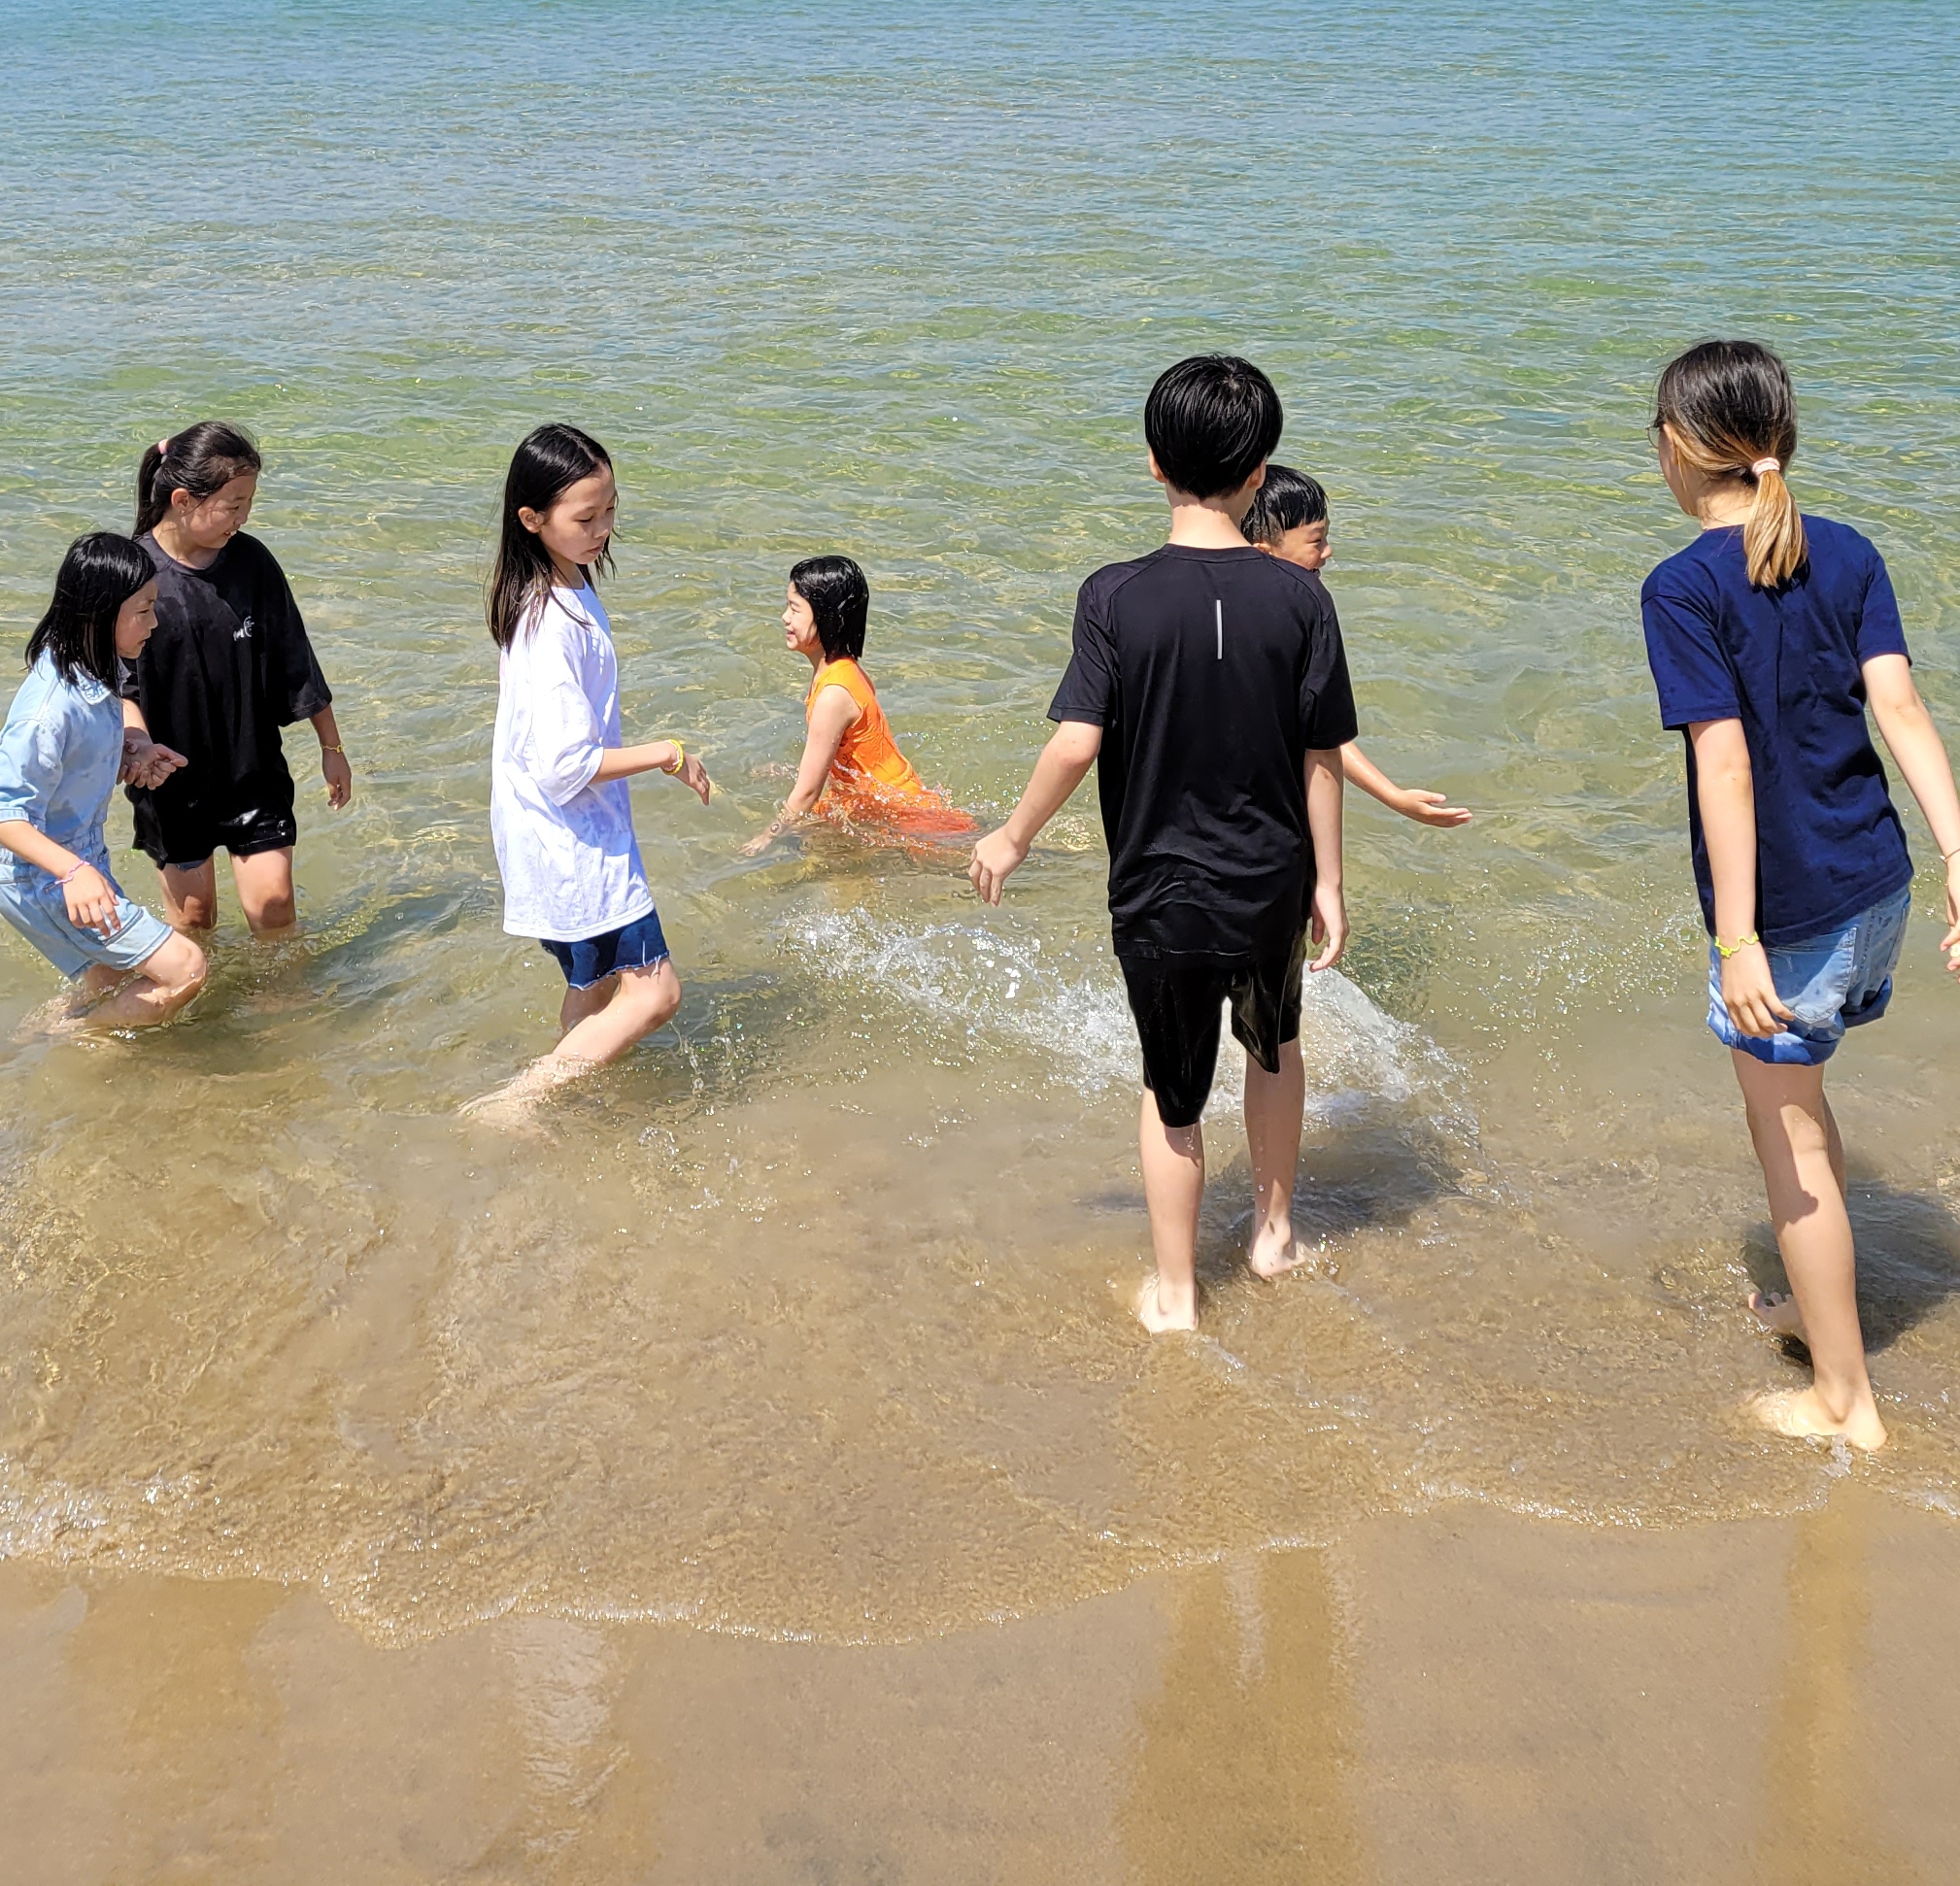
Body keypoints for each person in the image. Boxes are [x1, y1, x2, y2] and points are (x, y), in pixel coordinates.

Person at [1639, 340, 1960, 1451]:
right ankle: (1816, 1307)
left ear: (1675, 448)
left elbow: (1726, 768)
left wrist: (1736, 935)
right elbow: (1903, 710)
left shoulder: (1681, 585)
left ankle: (1843, 1397)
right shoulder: (1847, 551)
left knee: (1787, 1144)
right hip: (1878, 881)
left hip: (1788, 912)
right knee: (1806, 1109)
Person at [972, 355, 1355, 1333]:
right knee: (1275, 1047)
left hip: (1160, 891)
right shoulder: (1304, 600)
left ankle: (1178, 1294)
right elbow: (1320, 754)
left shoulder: (1114, 595)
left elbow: (1077, 742)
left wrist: (1012, 837)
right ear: (1260, 473)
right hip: (1271, 880)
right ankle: (1274, 1237)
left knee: (1172, 1092)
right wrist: (1330, 882)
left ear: (1153, 462)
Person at [466, 425, 710, 1126]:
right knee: (655, 993)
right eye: (586, 518)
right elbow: (565, 764)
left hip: (554, 831)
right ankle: (517, 1102)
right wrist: (666, 752)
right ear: (531, 518)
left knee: (596, 984)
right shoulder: (549, 621)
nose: (603, 530)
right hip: (572, 838)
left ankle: (574, 1102)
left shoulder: (558, 584)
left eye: (610, 511)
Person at [0, 534, 209, 1032]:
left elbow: (90, 735)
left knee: (110, 978)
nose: (154, 623)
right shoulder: (47, 711)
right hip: (43, 876)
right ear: (99, 615)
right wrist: (74, 872)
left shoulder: (87, 664)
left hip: (73, 861)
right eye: (143, 611)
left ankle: (32, 1039)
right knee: (185, 968)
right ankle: (71, 1038)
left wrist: (132, 747)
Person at [124, 424, 353, 939]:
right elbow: (117, 683)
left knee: (274, 907)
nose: (244, 517)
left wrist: (331, 747)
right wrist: (136, 744)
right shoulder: (133, 572)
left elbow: (297, 659)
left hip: (253, 771)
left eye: (248, 502)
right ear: (183, 500)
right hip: (170, 780)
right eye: (233, 504)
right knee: (193, 920)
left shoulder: (253, 563)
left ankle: (287, 993)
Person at [1241, 467, 1471, 829]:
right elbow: (1324, 743)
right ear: (1264, 553)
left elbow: (1319, 733)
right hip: (1270, 820)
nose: (1328, 551)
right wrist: (1393, 797)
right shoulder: (1301, 618)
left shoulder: (1220, 614)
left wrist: (1395, 797)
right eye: (1317, 540)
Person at [743, 555, 975, 849]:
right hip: (894, 807)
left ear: (826, 616)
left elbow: (808, 793)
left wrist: (768, 836)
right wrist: (785, 772)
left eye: (794, 608)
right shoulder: (844, 669)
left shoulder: (833, 695)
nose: (784, 617)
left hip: (910, 824)